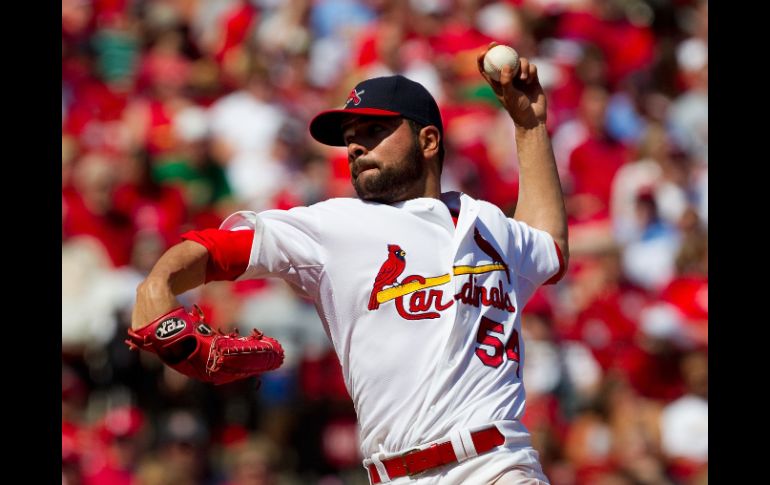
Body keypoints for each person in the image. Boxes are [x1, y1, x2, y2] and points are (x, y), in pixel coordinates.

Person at [131, 43, 568, 484]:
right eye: (351, 135)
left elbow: (549, 246)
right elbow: (215, 249)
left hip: (494, 465)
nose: (356, 145)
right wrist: (158, 285)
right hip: (390, 475)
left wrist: (529, 125)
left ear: (429, 140)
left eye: (373, 130)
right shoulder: (335, 225)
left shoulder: (489, 223)